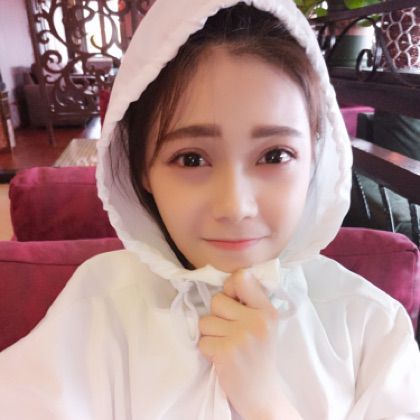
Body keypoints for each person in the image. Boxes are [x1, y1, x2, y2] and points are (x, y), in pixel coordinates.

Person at [1, 0, 420, 419]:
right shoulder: (96, 310)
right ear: (141, 169)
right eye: (191, 159)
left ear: (316, 158)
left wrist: (264, 403)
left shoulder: (371, 327)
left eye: (274, 155)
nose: (235, 207)